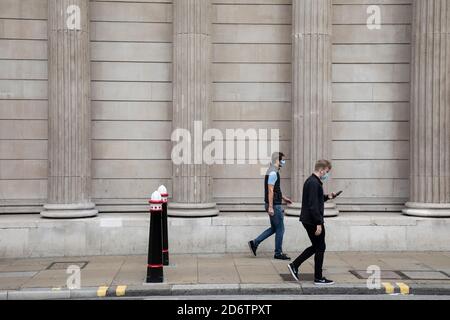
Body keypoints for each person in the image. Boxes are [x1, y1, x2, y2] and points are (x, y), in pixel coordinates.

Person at [288, 160, 338, 285]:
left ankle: (295, 265)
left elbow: (316, 199)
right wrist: (319, 223)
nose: (326, 174)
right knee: (320, 247)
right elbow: (313, 206)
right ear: (321, 170)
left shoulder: (313, 182)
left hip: (310, 220)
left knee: (317, 246)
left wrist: (328, 197)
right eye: (326, 172)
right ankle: (318, 277)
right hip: (312, 221)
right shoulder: (313, 183)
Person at [248, 152, 293, 260]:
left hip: (274, 203)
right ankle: (278, 253)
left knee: (274, 228)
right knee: (280, 229)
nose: (284, 162)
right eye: (283, 159)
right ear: (277, 160)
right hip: (274, 205)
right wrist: (271, 207)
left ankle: (255, 243)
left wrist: (283, 198)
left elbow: (276, 189)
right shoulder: (273, 172)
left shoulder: (272, 171)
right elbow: (270, 190)